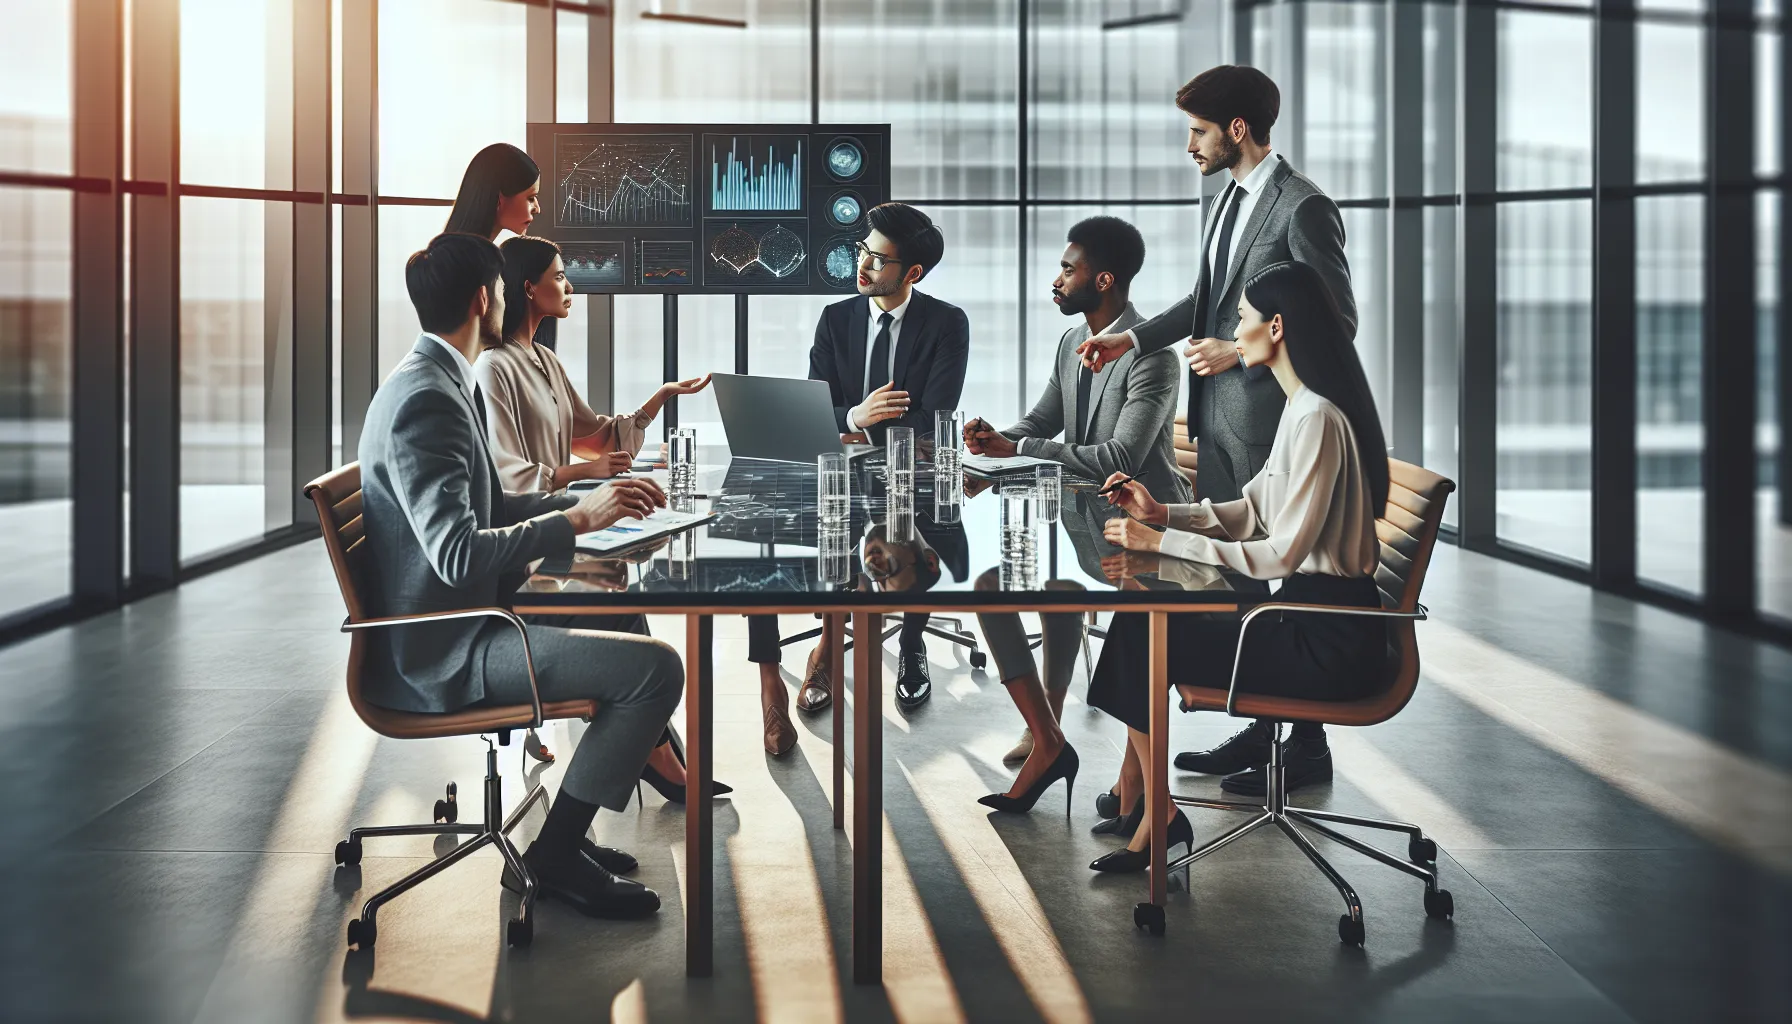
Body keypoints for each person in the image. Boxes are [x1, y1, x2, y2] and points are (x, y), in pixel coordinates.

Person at [358, 231, 683, 917]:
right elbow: (454, 552)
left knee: (617, 604)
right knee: (657, 671)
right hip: (449, 647)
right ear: (486, 298)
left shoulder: (435, 376)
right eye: (502, 287)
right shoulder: (430, 398)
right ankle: (558, 854)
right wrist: (572, 522)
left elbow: (490, 502)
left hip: (470, 616)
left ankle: (574, 833)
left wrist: (584, 506)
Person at [1076, 65, 1357, 778]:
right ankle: (1267, 732)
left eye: (1198, 132)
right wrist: (1133, 338)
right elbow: (1207, 297)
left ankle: (1303, 745)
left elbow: (1337, 321)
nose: (1189, 147)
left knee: (1270, 584)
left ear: (1237, 129)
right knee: (1238, 593)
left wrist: (1239, 351)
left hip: (1270, 424)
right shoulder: (1223, 198)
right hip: (1219, 426)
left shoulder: (1303, 208)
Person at [1082, 260, 1390, 874]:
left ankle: (1157, 817)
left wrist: (1162, 544)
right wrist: (1162, 513)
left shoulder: (1318, 420)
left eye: (1243, 318)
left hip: (1327, 642)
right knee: (1139, 623)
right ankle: (1156, 815)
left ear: (1276, 327)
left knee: (1145, 628)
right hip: (1302, 619)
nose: (1234, 330)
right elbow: (1251, 511)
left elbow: (1279, 554)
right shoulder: (1302, 410)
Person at [958, 215, 1191, 815]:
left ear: (1104, 279)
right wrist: (993, 443)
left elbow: (1119, 458)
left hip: (1143, 533)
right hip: (1077, 517)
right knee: (994, 589)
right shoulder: (1070, 343)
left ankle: (1133, 784)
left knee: (1079, 598)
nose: (1056, 279)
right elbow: (1042, 423)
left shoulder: (1153, 357)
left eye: (1068, 269)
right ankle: (1048, 733)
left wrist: (1020, 451)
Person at [475, 234, 716, 795]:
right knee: (622, 607)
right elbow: (507, 478)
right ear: (528, 287)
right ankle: (659, 758)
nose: (569, 286)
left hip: (558, 534)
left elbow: (594, 435)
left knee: (622, 595)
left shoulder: (542, 358)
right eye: (559, 276)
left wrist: (658, 398)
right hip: (531, 544)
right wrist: (583, 475)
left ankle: (655, 752)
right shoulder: (494, 368)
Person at [745, 202, 969, 750]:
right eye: (862, 251)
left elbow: (935, 415)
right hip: (836, 471)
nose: (863, 265)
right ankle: (771, 681)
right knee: (758, 539)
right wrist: (854, 416)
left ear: (912, 273)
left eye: (878, 258)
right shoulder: (836, 319)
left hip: (910, 476)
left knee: (903, 529)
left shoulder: (946, 323)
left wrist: (858, 421)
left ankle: (910, 643)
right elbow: (815, 404)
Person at [445, 143, 560, 351]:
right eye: (530, 198)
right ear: (499, 199)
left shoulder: (474, 257)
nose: (537, 208)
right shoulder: (470, 267)